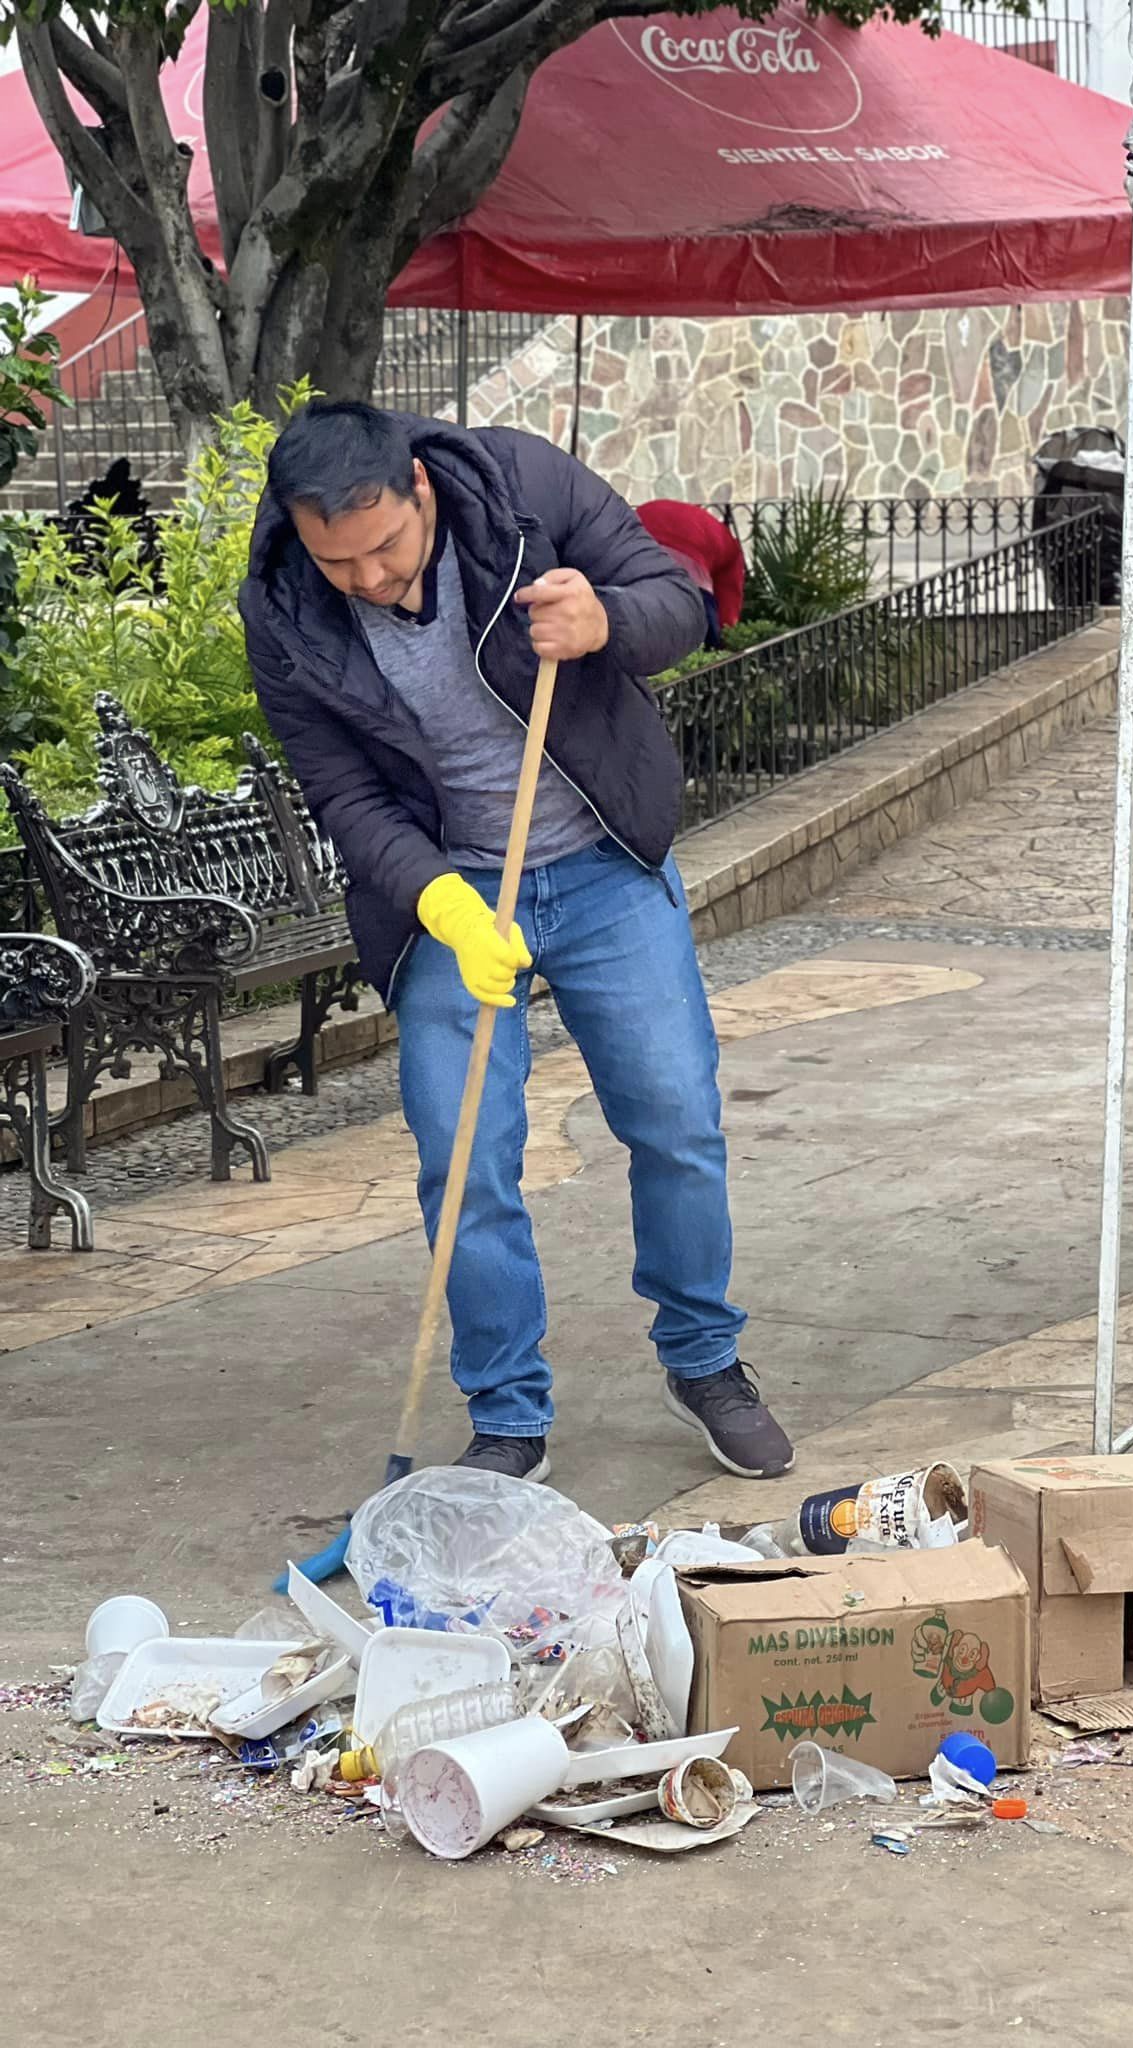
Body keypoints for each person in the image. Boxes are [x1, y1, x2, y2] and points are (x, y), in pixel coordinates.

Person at [239, 402, 795, 1483]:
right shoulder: (285, 608)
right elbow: (341, 790)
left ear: (421, 489)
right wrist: (437, 898)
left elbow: (679, 598)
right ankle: (507, 1409)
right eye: (337, 559)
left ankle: (704, 1356)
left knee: (676, 1116)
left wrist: (605, 623)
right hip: (454, 888)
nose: (367, 576)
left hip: (600, 862)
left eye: (386, 547)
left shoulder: (522, 490)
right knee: (461, 1161)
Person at [635, 500, 747, 650]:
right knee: (700, 602)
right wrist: (722, 634)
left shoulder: (712, 531)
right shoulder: (730, 554)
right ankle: (710, 653)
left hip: (643, 524)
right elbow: (728, 599)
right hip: (688, 542)